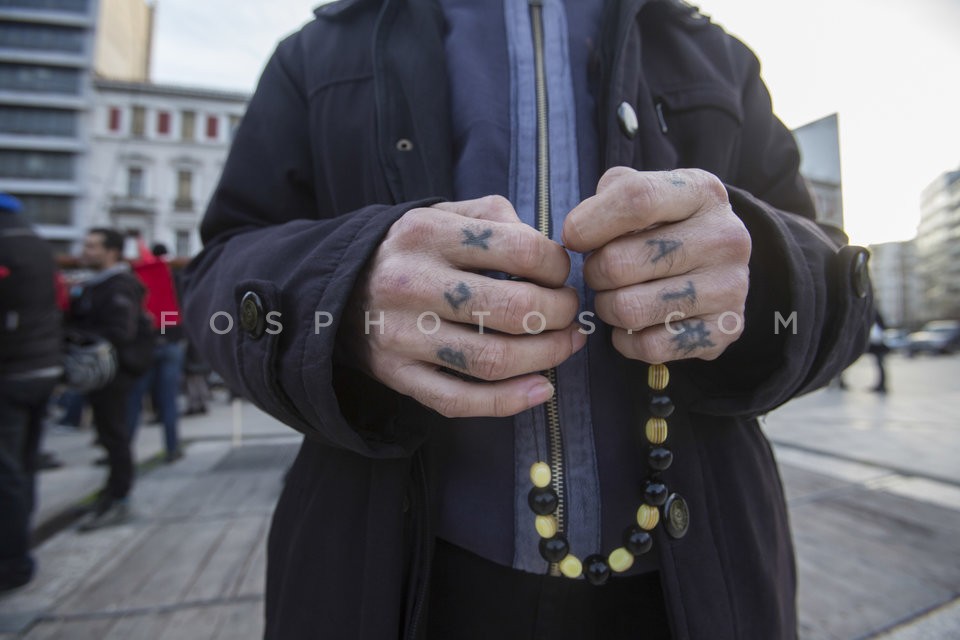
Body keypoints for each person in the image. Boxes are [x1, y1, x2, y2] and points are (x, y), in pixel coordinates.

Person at [182, 1, 874, 638]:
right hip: (379, 574)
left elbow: (837, 280)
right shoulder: (318, 52)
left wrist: (758, 273)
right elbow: (216, 278)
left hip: (699, 585)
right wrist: (345, 292)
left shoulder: (715, 54)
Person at [0, 193, 62, 593]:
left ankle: (12, 560)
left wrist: (163, 339)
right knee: (21, 467)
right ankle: (17, 545)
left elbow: (163, 315)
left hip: (13, 370)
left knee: (8, 473)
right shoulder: (40, 248)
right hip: (43, 365)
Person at [68, 228, 146, 531]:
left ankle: (119, 497)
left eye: (92, 246)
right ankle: (111, 492)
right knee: (108, 434)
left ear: (112, 251)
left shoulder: (118, 286)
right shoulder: (97, 284)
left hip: (116, 373)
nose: (85, 251)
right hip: (102, 373)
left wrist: (79, 337)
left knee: (116, 435)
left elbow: (120, 331)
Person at [127, 242, 185, 463]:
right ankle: (172, 449)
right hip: (171, 342)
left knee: (134, 401)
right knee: (169, 401)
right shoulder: (175, 275)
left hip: (145, 344)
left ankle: (125, 452)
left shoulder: (138, 275)